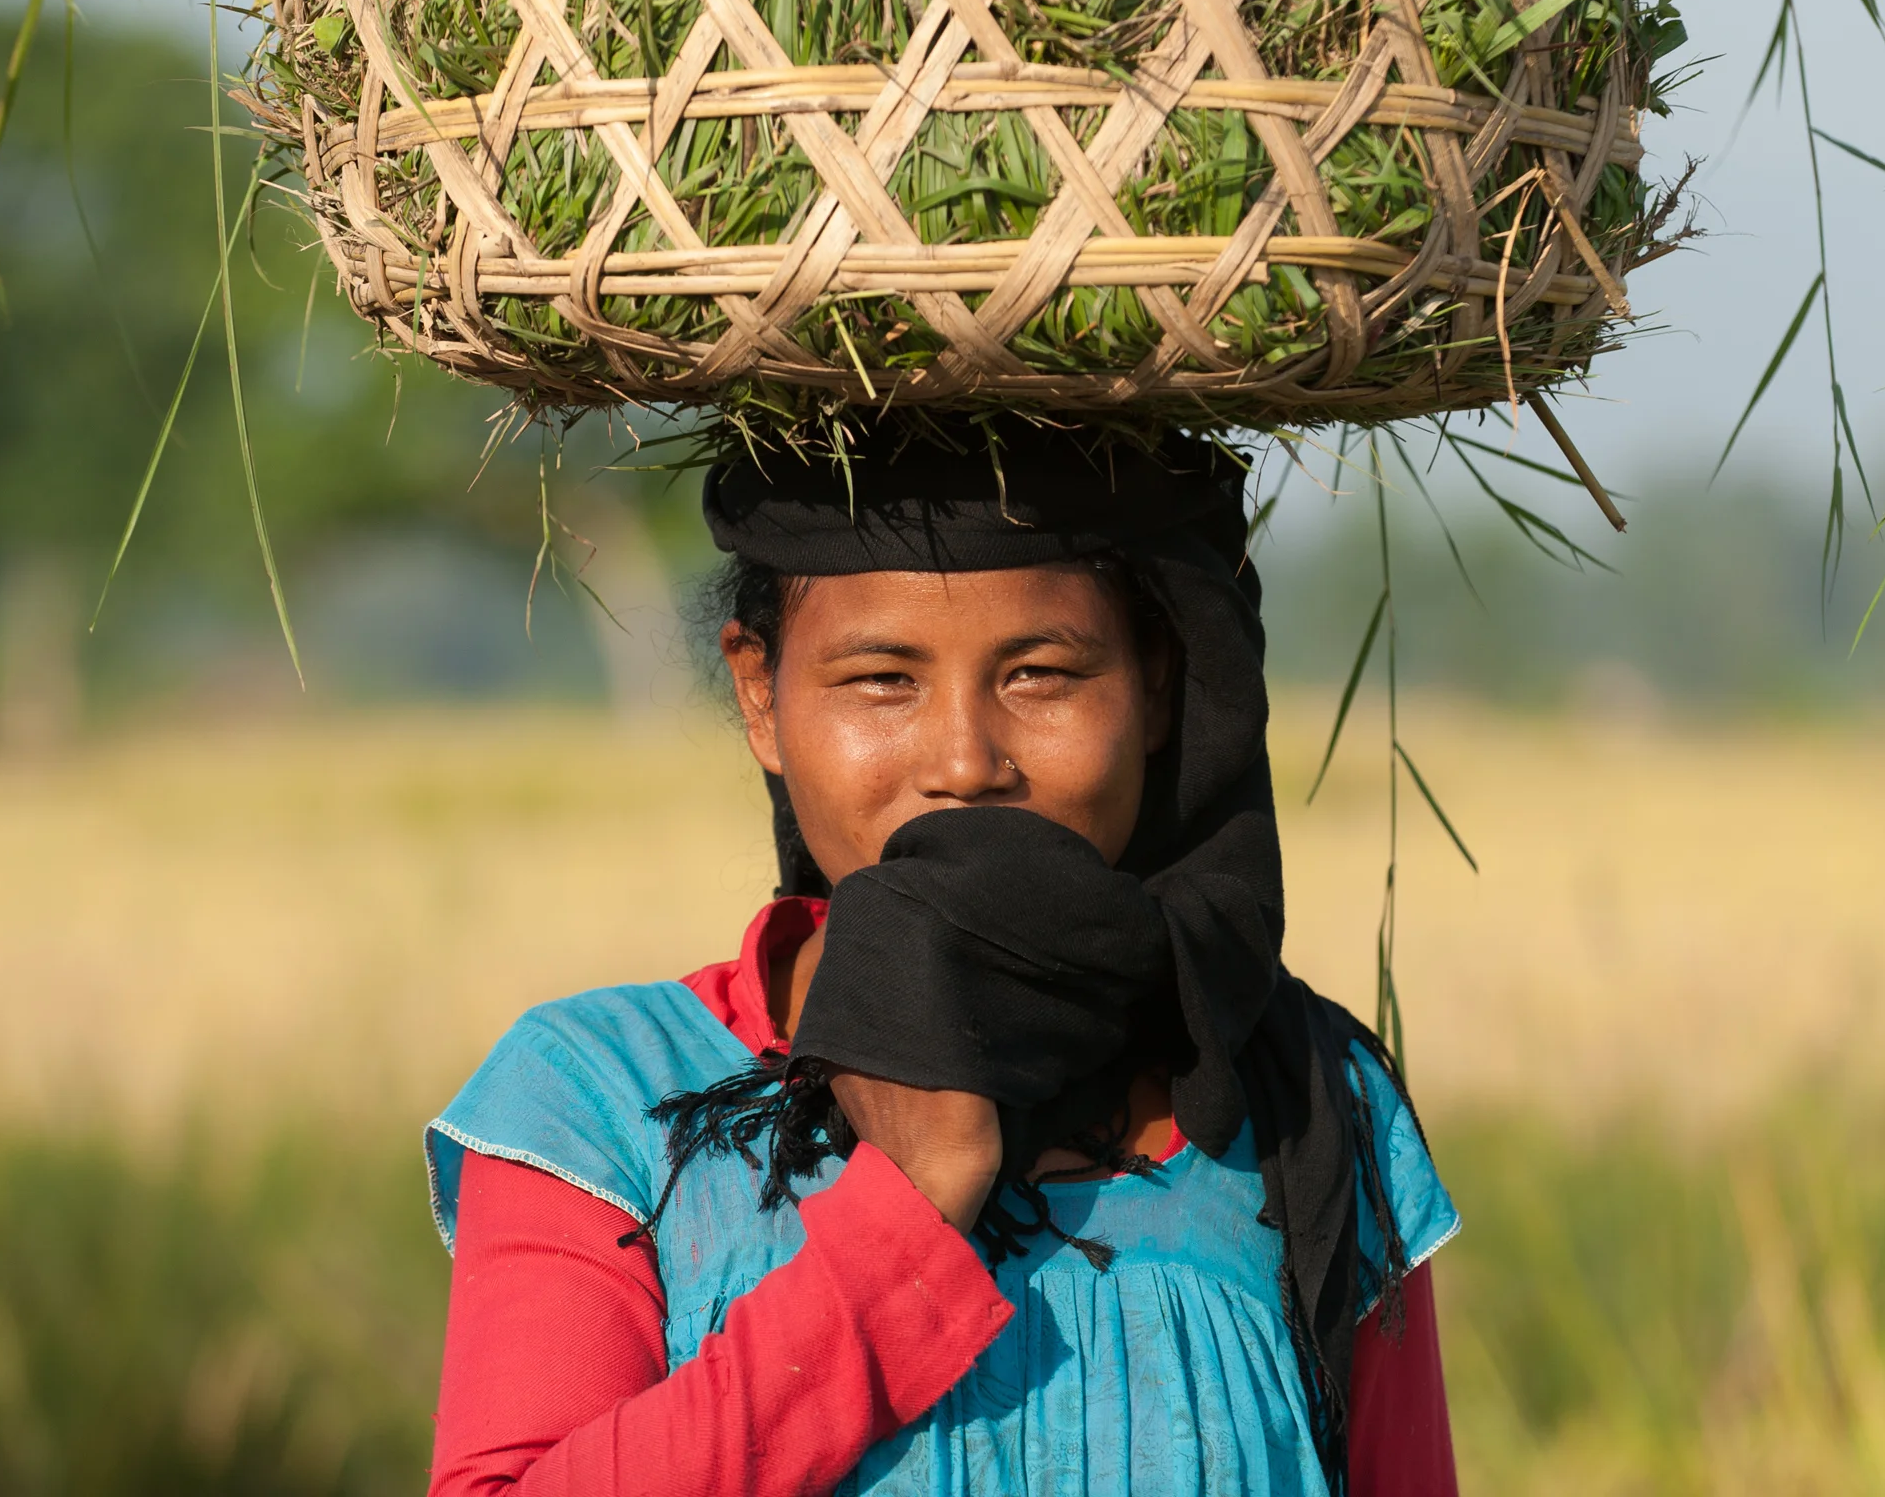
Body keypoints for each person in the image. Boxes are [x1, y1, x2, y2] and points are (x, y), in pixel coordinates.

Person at [421, 423, 1461, 1497]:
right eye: (880, 679)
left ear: (1153, 686)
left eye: (1042, 673)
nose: (965, 763)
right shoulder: (604, 1100)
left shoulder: (1301, 1098)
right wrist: (907, 1211)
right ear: (759, 694)